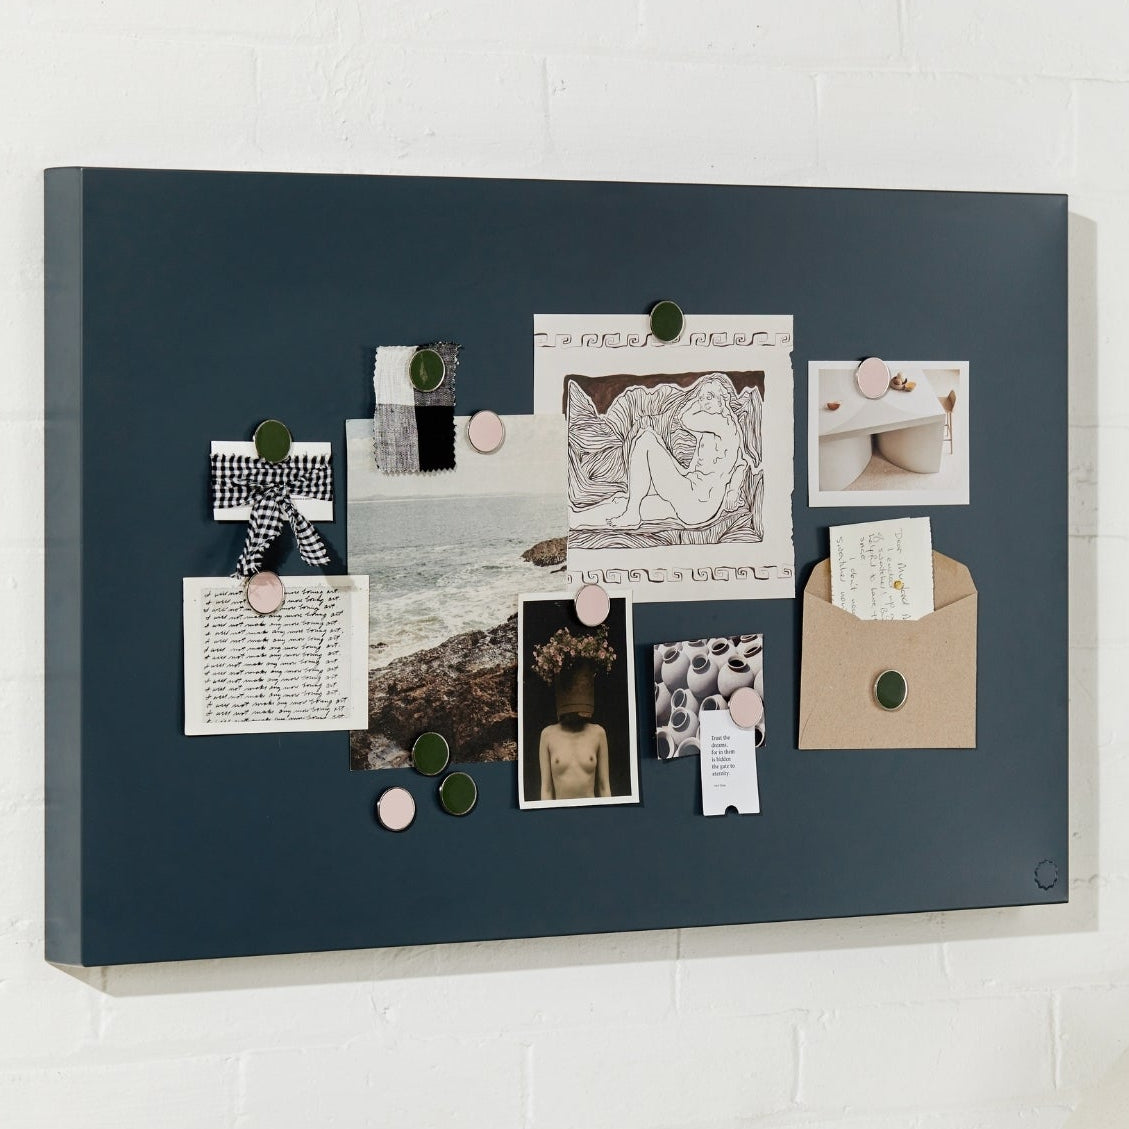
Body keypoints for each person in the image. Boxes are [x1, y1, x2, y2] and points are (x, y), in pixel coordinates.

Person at [577, 373, 757, 529]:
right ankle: (634, 501)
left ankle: (632, 514)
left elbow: (684, 418)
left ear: (722, 399)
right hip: (700, 499)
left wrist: (694, 400)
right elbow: (741, 463)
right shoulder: (731, 427)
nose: (704, 402)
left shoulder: (717, 423)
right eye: (702, 398)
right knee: (651, 440)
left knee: (646, 438)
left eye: (709, 397)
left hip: (696, 504)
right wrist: (732, 490)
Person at [538, 712, 610, 801]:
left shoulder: (598, 733)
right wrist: (547, 814)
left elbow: (604, 786)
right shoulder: (547, 734)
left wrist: (609, 813)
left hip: (590, 808)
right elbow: (546, 789)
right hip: (560, 809)